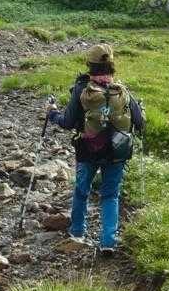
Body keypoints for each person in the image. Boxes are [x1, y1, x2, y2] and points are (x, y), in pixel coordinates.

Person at [46, 43, 145, 256]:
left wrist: (52, 113)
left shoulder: (82, 89)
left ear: (89, 65)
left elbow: (67, 122)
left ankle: (77, 232)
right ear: (112, 65)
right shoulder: (122, 90)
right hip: (117, 151)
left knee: (82, 191)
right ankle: (108, 241)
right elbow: (139, 122)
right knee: (111, 195)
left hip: (88, 149)